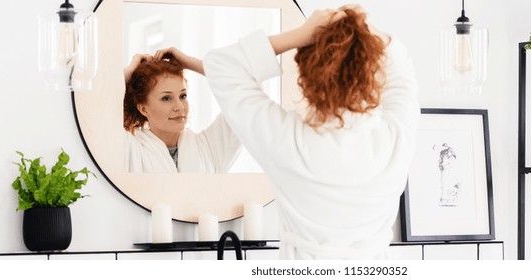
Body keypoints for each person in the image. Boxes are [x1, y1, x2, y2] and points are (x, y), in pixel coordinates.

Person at [157, 5, 419, 259]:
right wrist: (357, 27)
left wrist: (302, 34)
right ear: (373, 73)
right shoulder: (394, 140)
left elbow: (224, 65)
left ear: (305, 79)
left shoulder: (290, 141)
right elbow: (401, 67)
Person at [122, 54, 241, 173]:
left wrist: (188, 62)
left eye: (182, 96)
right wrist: (130, 70)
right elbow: (103, 104)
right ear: (143, 109)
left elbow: (242, 87)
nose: (179, 106)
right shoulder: (129, 148)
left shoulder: (209, 147)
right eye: (166, 98)